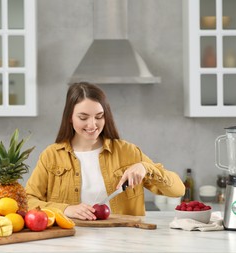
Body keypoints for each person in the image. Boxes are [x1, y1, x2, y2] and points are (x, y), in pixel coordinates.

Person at [25, 82, 185, 220]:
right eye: (83, 117)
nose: (92, 124)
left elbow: (178, 190)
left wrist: (146, 168)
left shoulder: (128, 152)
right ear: (69, 117)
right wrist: (65, 209)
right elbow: (27, 201)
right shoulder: (51, 155)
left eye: (99, 116)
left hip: (125, 243)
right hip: (69, 242)